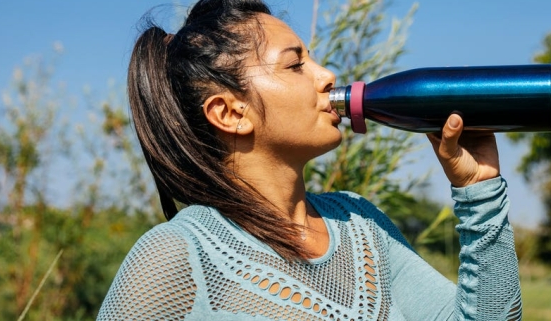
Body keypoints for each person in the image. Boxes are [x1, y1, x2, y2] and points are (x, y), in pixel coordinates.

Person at [98, 0, 521, 320]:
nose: (327, 75)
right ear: (229, 113)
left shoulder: (361, 224)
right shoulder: (177, 255)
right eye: (296, 64)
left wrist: (478, 190)